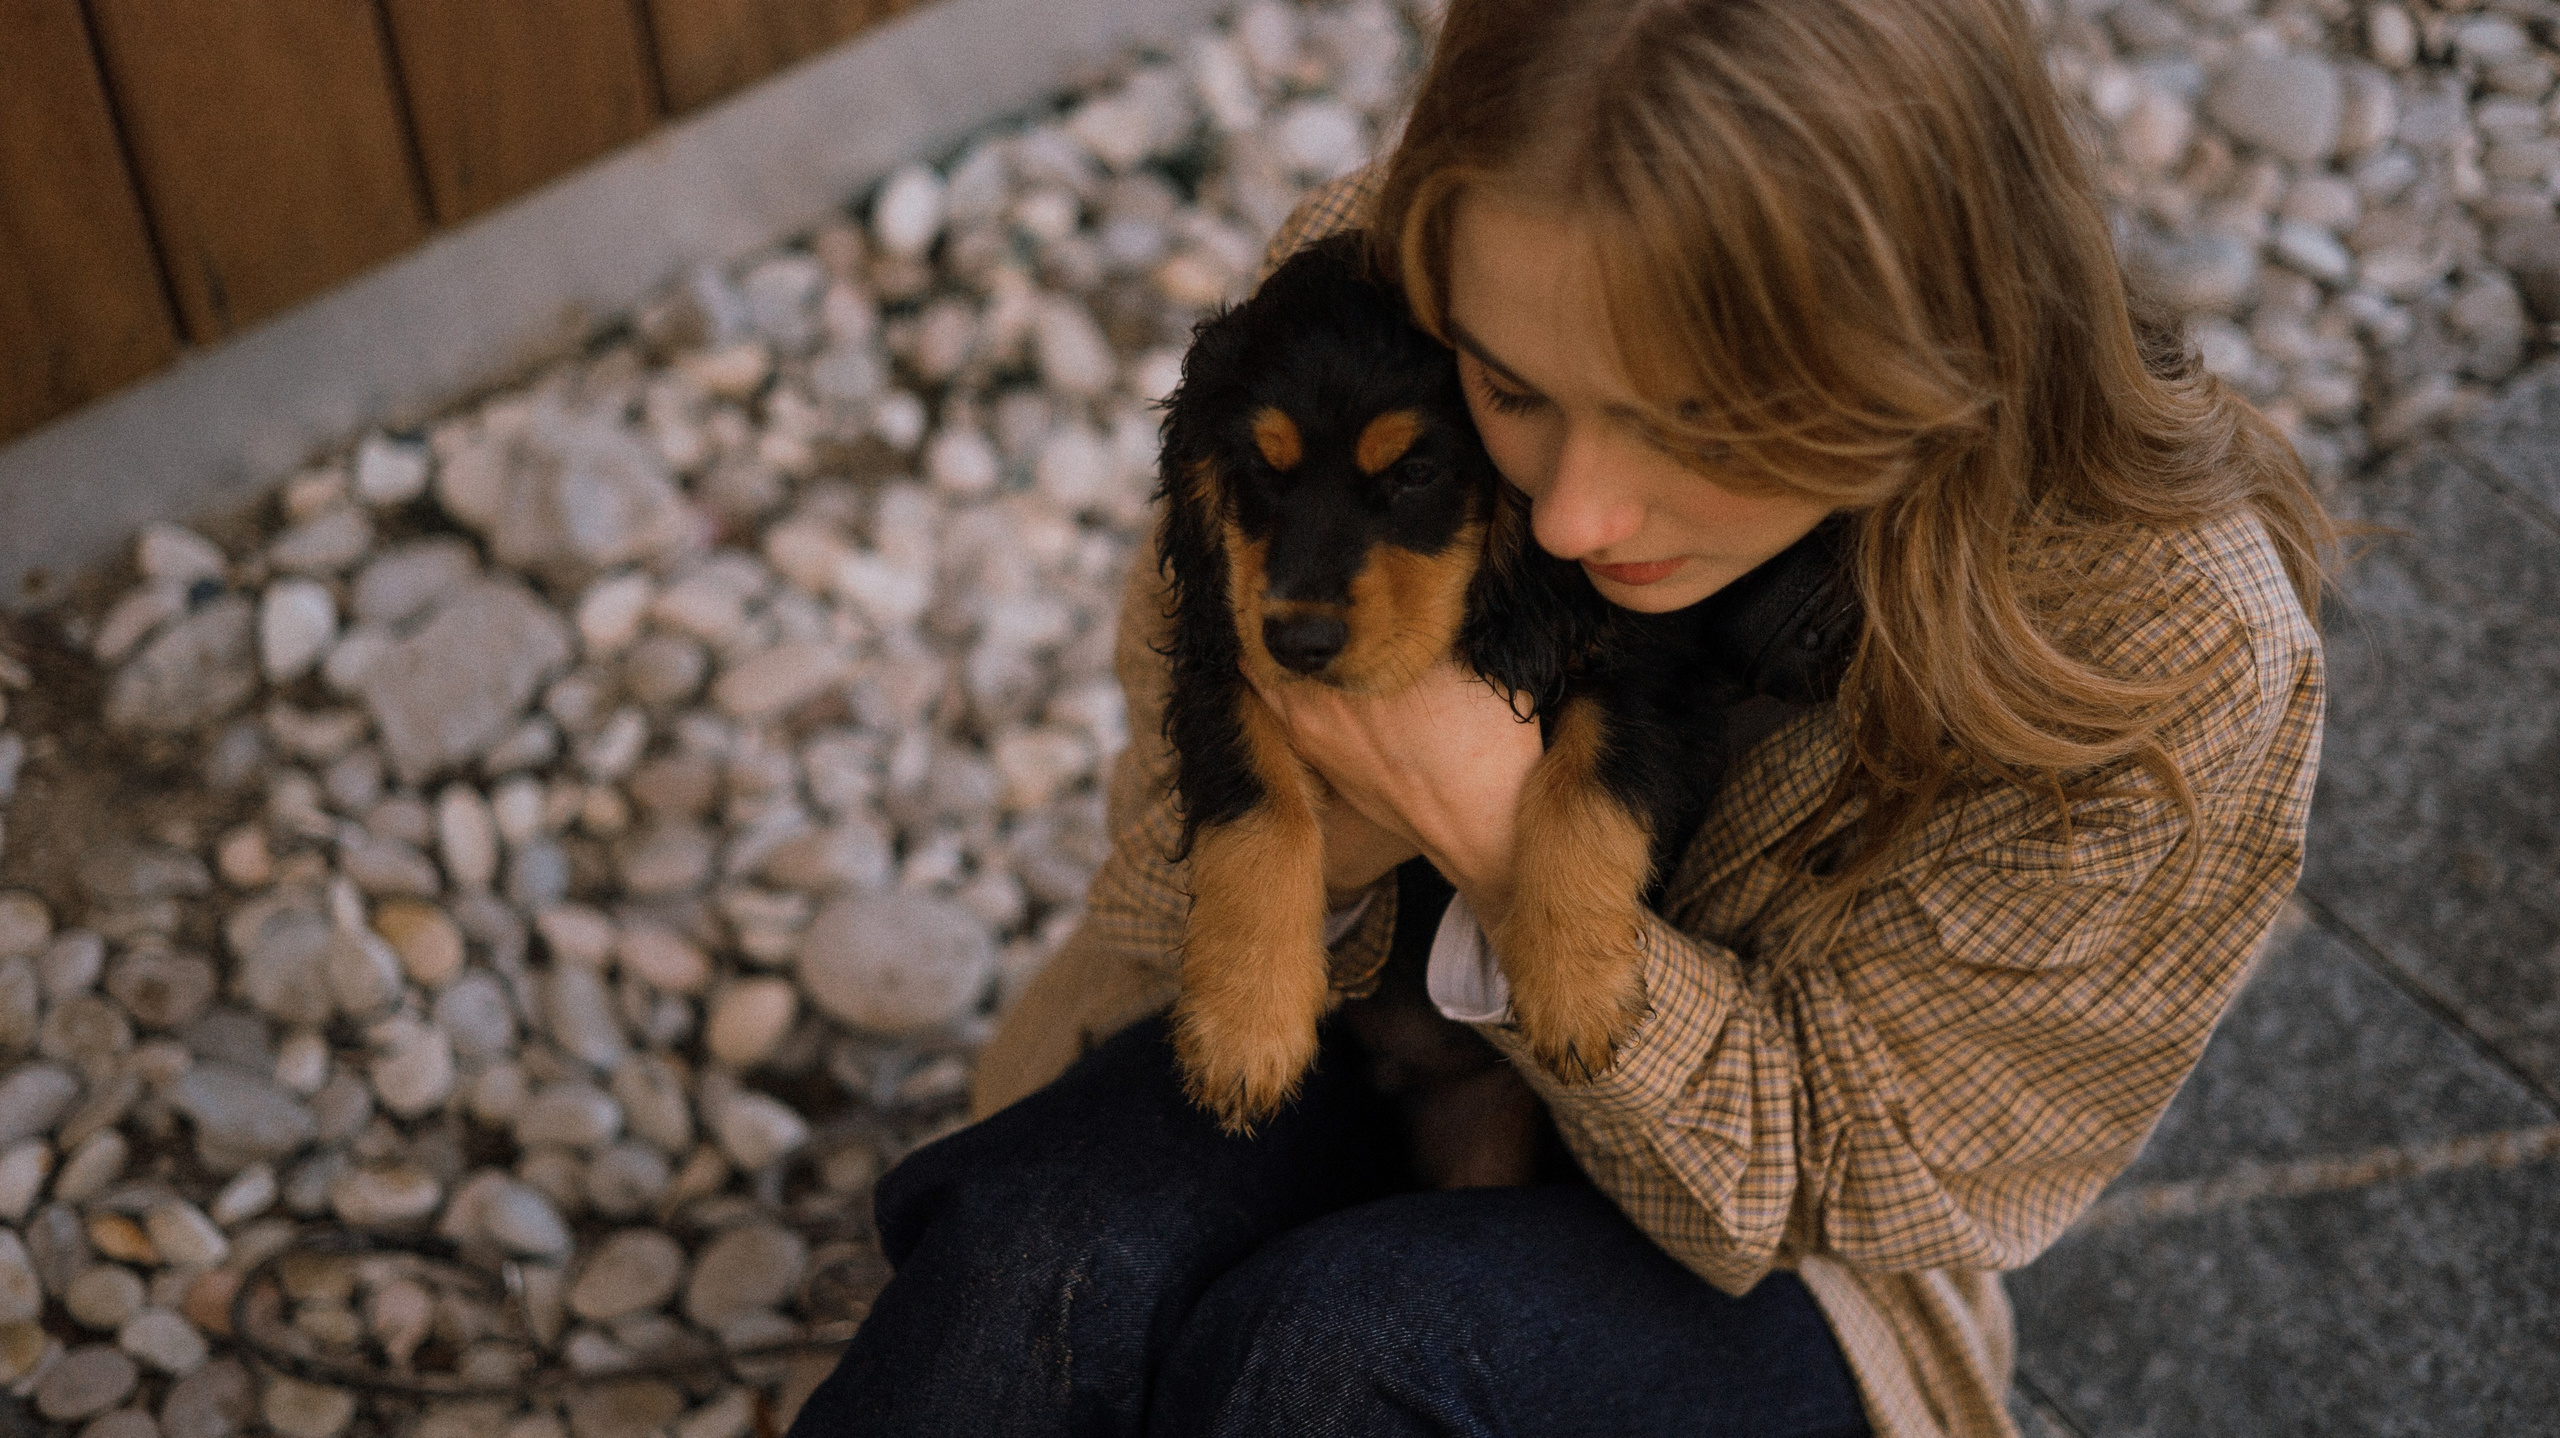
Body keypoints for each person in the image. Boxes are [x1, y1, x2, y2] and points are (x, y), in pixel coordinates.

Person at [786, 0, 2331, 1432]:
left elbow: (1833, 1177)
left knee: (1347, 1349)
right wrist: (1327, 846)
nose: (1584, 512)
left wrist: (1482, 821)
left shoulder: (2165, 647)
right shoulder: (1366, 302)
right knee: (1036, 1256)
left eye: (1705, 425)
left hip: (1779, 1261)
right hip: (1325, 1023)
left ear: (1930, 340)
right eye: (1512, 392)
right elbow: (1155, 851)